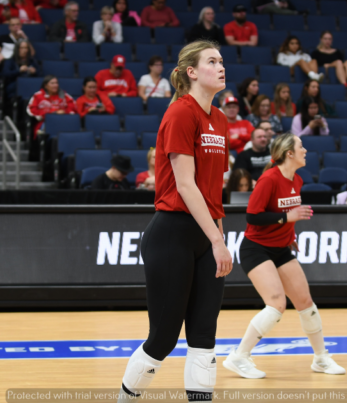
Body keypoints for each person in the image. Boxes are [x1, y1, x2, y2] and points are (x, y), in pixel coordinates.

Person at [114, 40, 232, 403]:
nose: (221, 66)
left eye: (222, 60)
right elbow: (185, 184)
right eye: (212, 61)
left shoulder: (222, 119)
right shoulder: (181, 113)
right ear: (192, 72)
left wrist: (218, 235)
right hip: (173, 234)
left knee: (204, 336)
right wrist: (215, 239)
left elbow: (213, 190)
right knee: (163, 338)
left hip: (207, 233)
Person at [224, 133, 345, 379]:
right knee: (277, 304)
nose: (306, 150)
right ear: (289, 153)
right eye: (301, 146)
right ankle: (239, 356)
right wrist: (286, 219)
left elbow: (285, 214)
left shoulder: (297, 180)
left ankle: (321, 358)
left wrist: (290, 235)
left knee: (305, 301)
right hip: (255, 248)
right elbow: (253, 216)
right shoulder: (269, 179)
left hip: (281, 248)